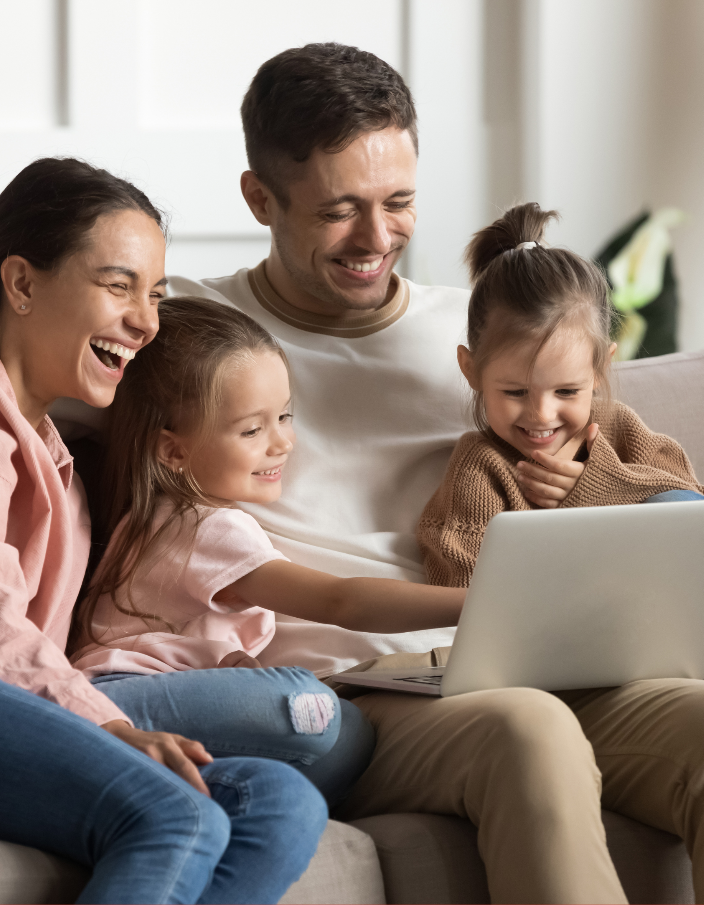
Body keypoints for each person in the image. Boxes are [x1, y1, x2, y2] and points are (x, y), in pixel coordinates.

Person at [0, 44, 704, 903]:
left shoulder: (482, 334)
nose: (377, 238)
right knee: (528, 729)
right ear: (261, 198)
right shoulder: (181, 331)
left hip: (523, 652)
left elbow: (622, 458)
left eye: (399, 202)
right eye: (341, 209)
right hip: (360, 691)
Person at [0, 157, 328, 904]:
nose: (147, 321)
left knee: (279, 802)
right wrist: (107, 726)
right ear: (22, 284)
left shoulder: (63, 460)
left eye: (155, 295)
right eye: (119, 285)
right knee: (178, 812)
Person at [417, 202, 704, 781]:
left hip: (671, 633)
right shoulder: (480, 468)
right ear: (471, 370)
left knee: (681, 514)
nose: (541, 415)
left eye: (567, 391)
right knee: (683, 651)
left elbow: (703, 516)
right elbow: (464, 600)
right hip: (583, 662)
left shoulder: (619, 429)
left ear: (601, 368)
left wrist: (595, 484)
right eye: (514, 392)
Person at [71, 295, 462, 802]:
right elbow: (340, 601)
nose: (282, 443)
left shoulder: (156, 517)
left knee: (349, 737)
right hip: (115, 698)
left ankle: (201, 792)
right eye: (252, 429)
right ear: (173, 450)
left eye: (284, 416)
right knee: (311, 705)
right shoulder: (207, 527)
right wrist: (476, 601)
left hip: (148, 700)